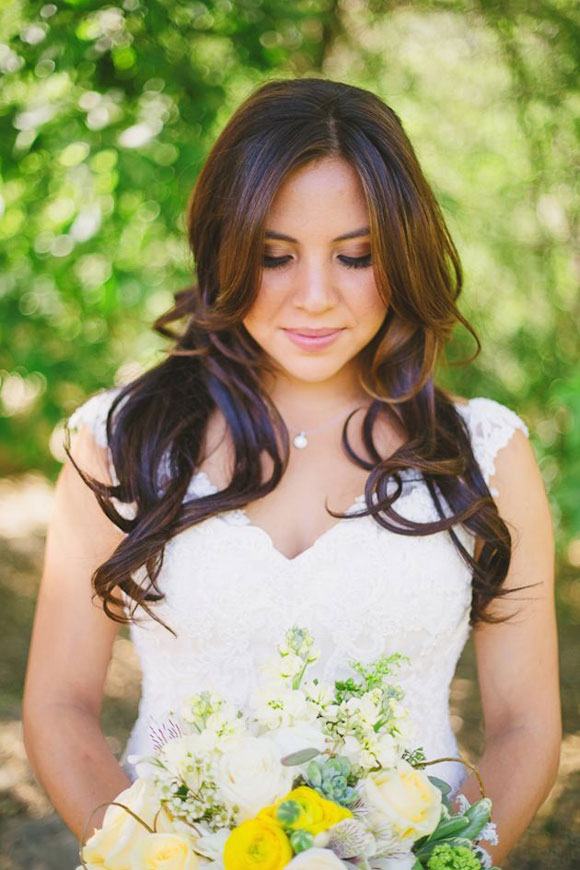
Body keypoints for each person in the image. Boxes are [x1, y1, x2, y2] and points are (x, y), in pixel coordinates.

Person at [22, 77, 560, 865]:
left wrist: (451, 858)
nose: (314, 297)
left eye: (355, 256)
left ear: (402, 254)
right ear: (227, 245)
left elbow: (525, 725)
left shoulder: (484, 454)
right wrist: (146, 858)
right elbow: (61, 706)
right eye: (276, 256)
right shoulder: (121, 441)